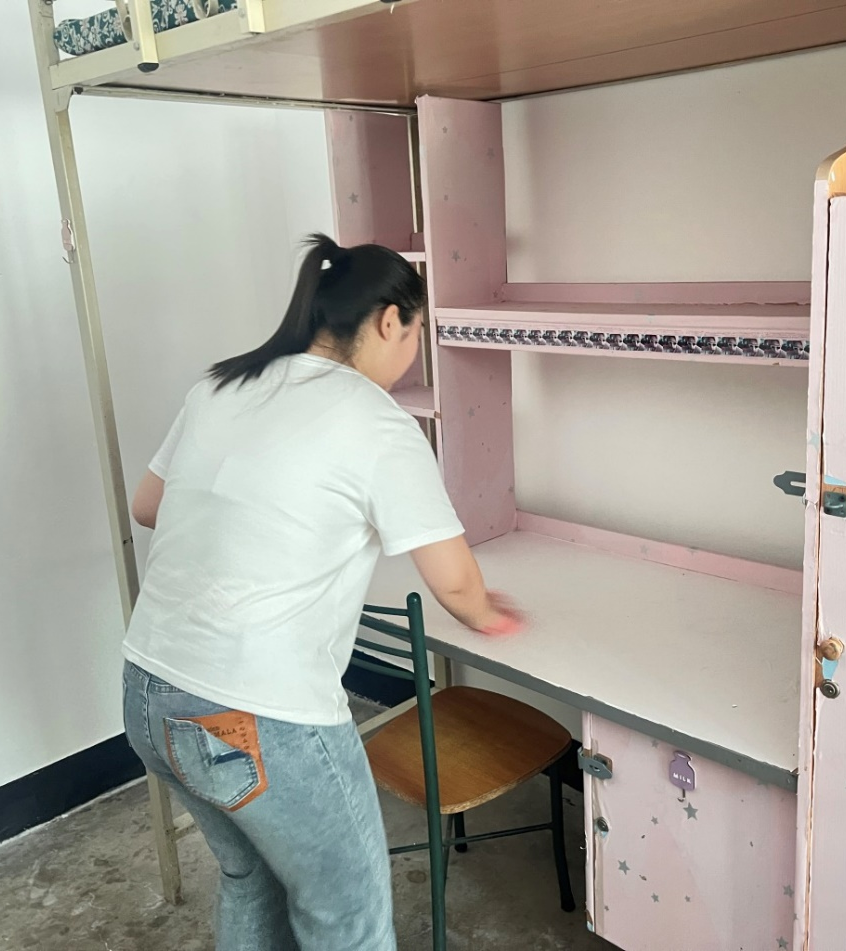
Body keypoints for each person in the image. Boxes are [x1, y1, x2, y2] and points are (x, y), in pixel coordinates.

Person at [120, 234, 522, 951]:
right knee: (347, 913)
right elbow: (457, 583)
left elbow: (147, 506)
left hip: (148, 691)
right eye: (417, 335)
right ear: (391, 321)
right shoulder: (376, 421)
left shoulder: (221, 385)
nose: (413, 355)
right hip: (258, 711)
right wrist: (493, 616)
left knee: (251, 877)